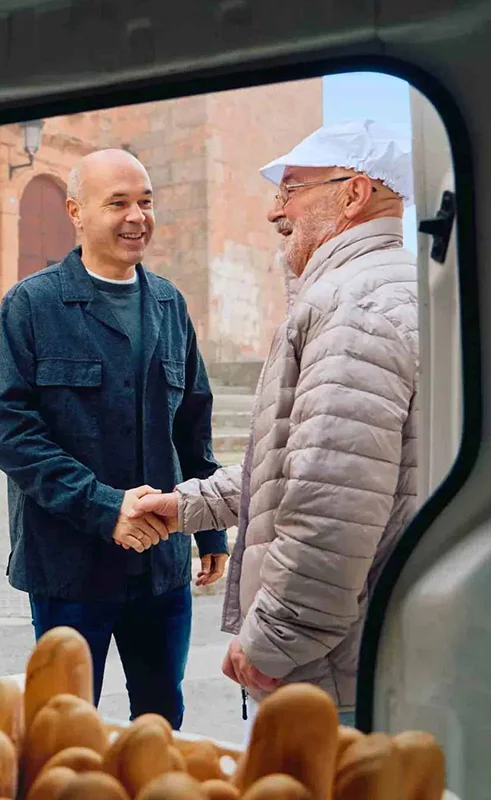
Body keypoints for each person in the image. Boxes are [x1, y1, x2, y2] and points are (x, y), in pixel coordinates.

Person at [129, 120, 420, 730]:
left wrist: (271, 644)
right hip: (359, 655)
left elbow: (330, 507)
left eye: (291, 190)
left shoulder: (353, 309)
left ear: (353, 194)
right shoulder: (376, 292)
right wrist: (185, 506)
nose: (273, 211)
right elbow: (294, 467)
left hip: (333, 675)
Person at [0, 149, 228, 730]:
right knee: (65, 726)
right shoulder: (32, 306)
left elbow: (193, 426)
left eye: (145, 201)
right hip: (69, 564)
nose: (136, 216)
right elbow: (8, 431)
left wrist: (210, 526)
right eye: (117, 202)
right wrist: (105, 506)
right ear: (75, 211)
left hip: (160, 565)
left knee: (161, 717)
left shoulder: (169, 304)